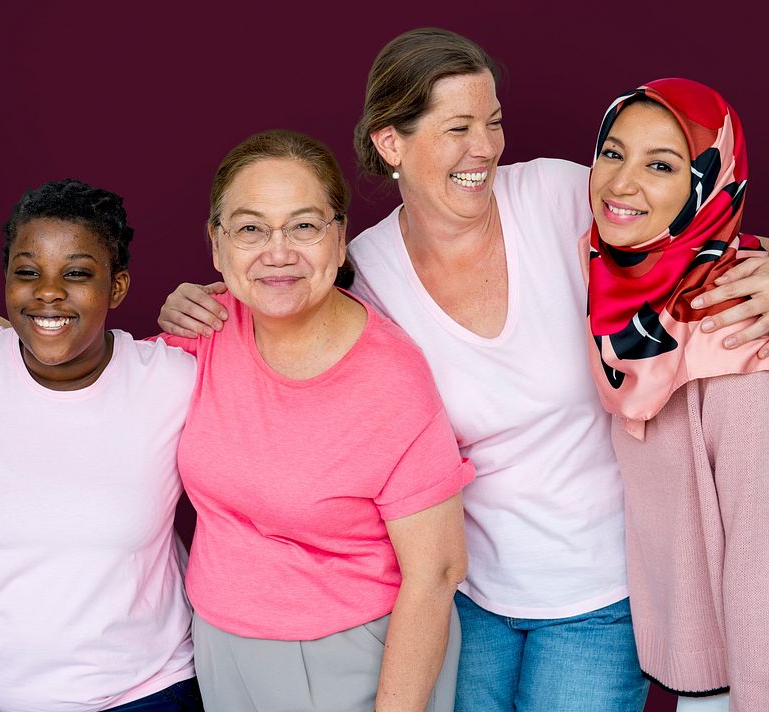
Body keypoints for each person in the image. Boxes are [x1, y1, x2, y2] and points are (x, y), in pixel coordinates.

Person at [155, 29, 769, 711]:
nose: (485, 147)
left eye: (493, 122)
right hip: (466, 596)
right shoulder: (363, 271)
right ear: (393, 144)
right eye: (458, 127)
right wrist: (196, 303)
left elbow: (686, 232)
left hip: (603, 594)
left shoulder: (559, 197)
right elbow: (280, 294)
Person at [0, 130, 474, 712]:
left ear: (340, 240)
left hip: (352, 657)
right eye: (250, 228)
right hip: (220, 657)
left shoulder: (391, 377)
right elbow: (84, 362)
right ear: (217, 246)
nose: (278, 251)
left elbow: (437, 571)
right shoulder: (206, 339)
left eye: (305, 226)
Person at [0, 179, 202, 712]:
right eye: (28, 272)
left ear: (119, 286)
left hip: (141, 693)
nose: (48, 292)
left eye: (77, 273)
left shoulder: (174, 382)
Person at [584, 78, 769, 711]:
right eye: (613, 153)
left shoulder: (738, 333)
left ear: (709, 187)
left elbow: (760, 561)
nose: (621, 183)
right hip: (690, 663)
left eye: (661, 165)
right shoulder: (613, 278)